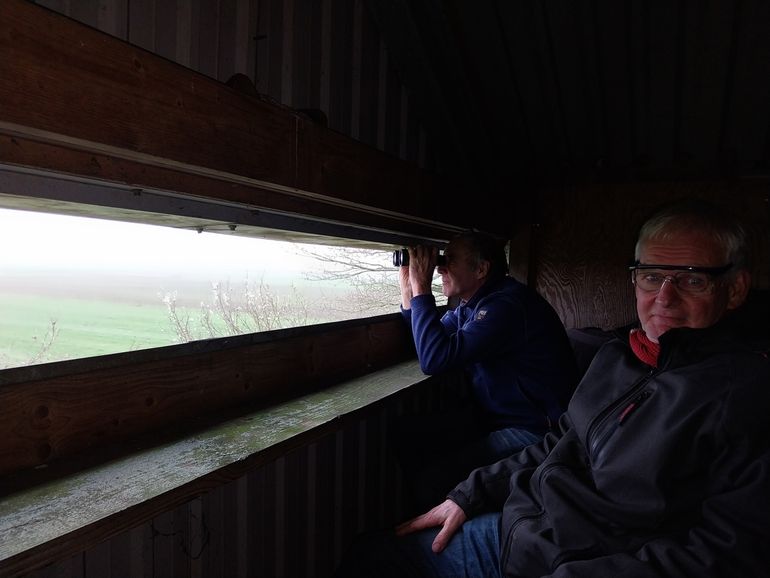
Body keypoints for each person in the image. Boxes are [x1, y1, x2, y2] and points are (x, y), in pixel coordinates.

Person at [335, 199, 770, 577]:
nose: (664, 298)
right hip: (532, 528)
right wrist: (469, 496)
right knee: (380, 532)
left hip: (564, 542)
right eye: (651, 277)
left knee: (395, 533)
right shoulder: (622, 356)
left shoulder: (744, 396)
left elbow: (729, 555)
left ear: (734, 290)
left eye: (692, 279)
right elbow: (564, 441)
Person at [394, 230, 578, 513]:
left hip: (536, 432)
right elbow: (429, 340)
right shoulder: (475, 303)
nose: (440, 267)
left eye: (449, 260)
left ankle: (430, 546)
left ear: (481, 269)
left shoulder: (506, 305)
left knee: (434, 479)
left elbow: (433, 360)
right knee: (412, 438)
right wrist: (410, 290)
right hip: (497, 417)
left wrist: (423, 287)